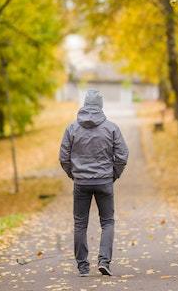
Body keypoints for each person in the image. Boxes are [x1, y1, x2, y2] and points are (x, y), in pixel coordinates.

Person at [59, 89, 129, 277]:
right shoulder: (111, 128)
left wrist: (74, 174)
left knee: (80, 223)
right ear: (100, 106)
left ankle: (82, 267)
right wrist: (113, 174)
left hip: (81, 182)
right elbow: (122, 155)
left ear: (85, 104)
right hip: (104, 181)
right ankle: (104, 261)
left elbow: (63, 156)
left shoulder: (72, 128)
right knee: (107, 222)